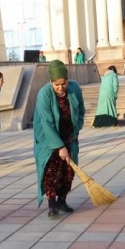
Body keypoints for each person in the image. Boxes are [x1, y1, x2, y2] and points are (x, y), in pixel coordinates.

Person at [33, 60, 85, 218]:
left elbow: (81, 110)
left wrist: (77, 128)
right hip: (49, 140)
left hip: (69, 136)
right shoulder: (44, 94)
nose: (61, 87)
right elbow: (47, 123)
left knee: (68, 171)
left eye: (63, 83)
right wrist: (59, 146)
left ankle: (62, 200)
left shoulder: (74, 88)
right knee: (51, 172)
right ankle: (52, 204)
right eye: (57, 84)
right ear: (51, 82)